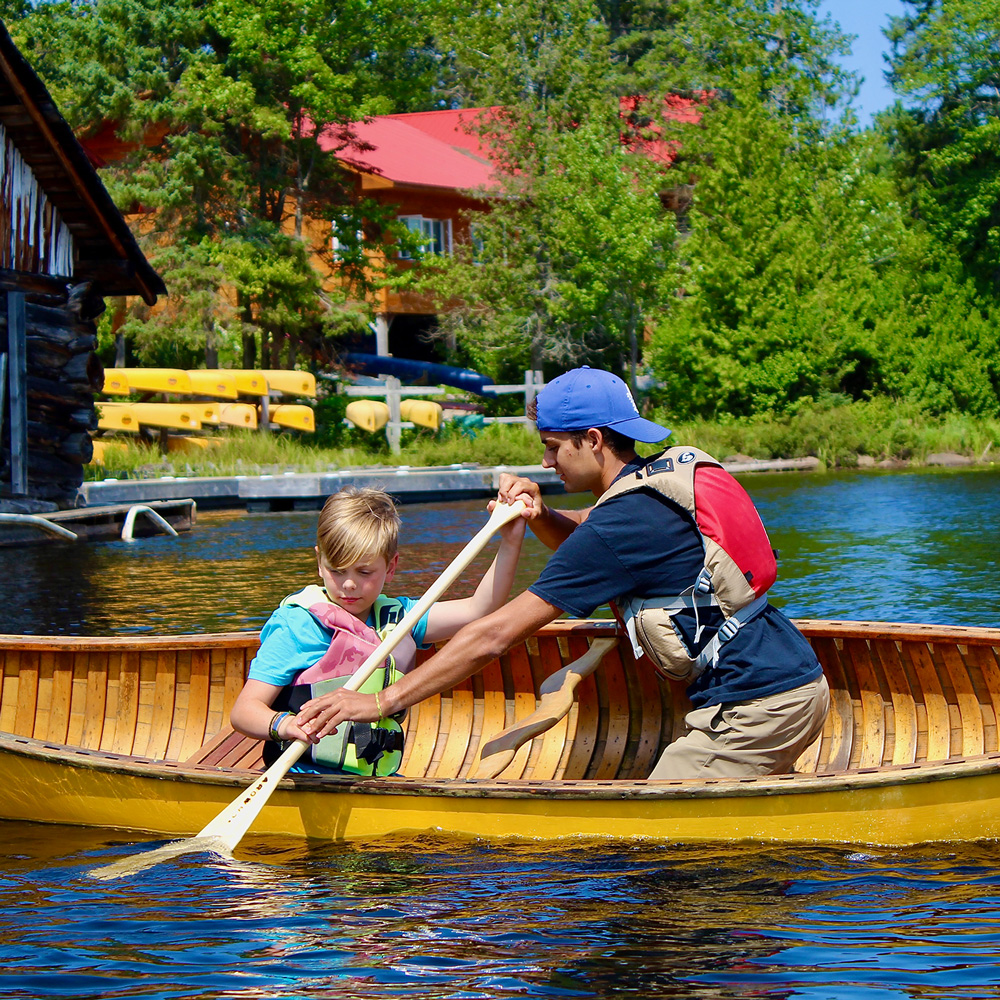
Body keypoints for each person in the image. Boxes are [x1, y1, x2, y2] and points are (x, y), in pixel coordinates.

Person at [294, 368, 830, 780]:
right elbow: (590, 534)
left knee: (660, 838)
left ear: (593, 440)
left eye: (552, 447)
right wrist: (539, 514)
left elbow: (494, 635)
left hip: (757, 704)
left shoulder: (620, 526)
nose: (547, 464)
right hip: (788, 682)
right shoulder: (652, 482)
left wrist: (382, 701)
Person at [230, 485, 525, 775]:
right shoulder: (298, 626)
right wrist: (285, 725)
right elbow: (244, 711)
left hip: (376, 779)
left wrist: (510, 542)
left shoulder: (404, 619)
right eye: (336, 570)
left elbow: (479, 608)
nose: (348, 584)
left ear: (391, 566)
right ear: (319, 562)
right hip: (306, 775)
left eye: (364, 572)